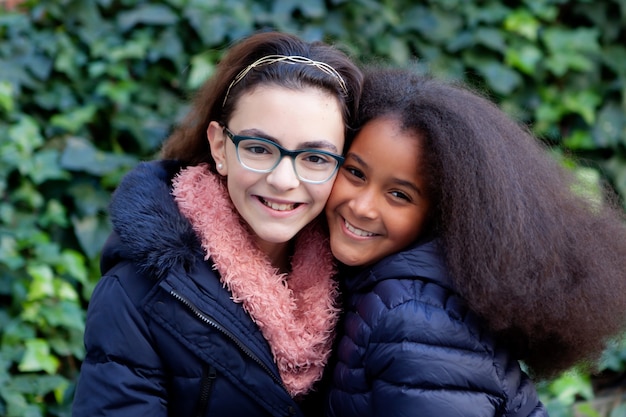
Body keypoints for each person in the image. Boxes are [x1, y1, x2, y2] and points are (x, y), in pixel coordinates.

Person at [71, 31, 363, 417]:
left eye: (315, 158)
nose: (283, 180)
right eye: (259, 149)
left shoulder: (361, 278)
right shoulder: (135, 294)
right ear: (220, 147)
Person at [323, 67, 626, 417]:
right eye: (355, 173)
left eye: (399, 195)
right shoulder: (385, 287)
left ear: (440, 214)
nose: (361, 207)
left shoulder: (416, 320)